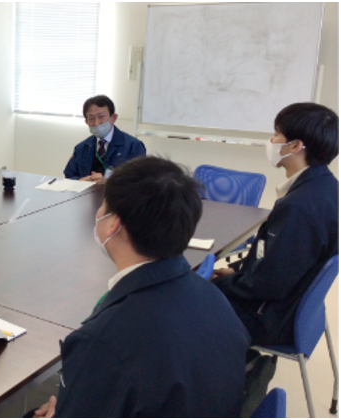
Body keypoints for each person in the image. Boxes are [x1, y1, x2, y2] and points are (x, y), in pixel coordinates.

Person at [34, 156, 250, 418]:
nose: (98, 213)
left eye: (103, 205)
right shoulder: (214, 297)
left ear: (114, 223)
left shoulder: (103, 341)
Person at [211, 103, 339, 346]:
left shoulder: (298, 207)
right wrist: (238, 272)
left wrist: (218, 283)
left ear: (295, 146)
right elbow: (276, 261)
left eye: (276, 134)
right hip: (287, 305)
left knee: (180, 300)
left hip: (268, 318)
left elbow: (268, 284)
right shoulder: (327, 187)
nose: (271, 141)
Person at [63, 95, 146, 183]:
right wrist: (81, 181)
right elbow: (69, 176)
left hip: (115, 192)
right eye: (91, 118)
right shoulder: (81, 148)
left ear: (113, 118)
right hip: (86, 191)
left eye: (101, 117)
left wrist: (107, 183)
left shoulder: (133, 146)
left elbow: (140, 182)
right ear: (86, 122)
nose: (96, 123)